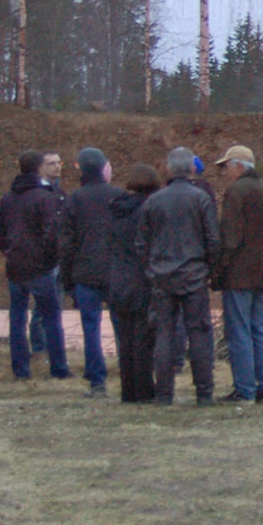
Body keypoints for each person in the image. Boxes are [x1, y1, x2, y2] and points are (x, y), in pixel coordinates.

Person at [141, 147, 220, 406]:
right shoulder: (200, 199)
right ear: (192, 169)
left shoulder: (154, 200)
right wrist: (211, 270)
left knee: (164, 334)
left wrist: (151, 269)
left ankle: (164, 393)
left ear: (168, 168)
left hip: (162, 277)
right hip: (195, 276)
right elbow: (212, 239)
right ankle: (204, 393)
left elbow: (142, 242)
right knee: (199, 333)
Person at [0, 149, 70, 381]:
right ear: (39, 169)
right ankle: (58, 369)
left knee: (17, 318)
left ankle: (20, 370)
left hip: (15, 266)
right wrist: (49, 259)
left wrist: (10, 251)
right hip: (40, 268)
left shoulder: (9, 197)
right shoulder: (45, 197)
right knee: (52, 318)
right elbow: (52, 233)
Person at [217, 144, 263, 404]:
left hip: (240, 274)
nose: (224, 173)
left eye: (226, 167)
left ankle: (244, 389)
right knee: (259, 328)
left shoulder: (236, 192)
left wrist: (221, 267)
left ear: (240, 166)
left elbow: (230, 236)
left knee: (239, 331)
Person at [57, 147, 119, 397]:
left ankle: (97, 382)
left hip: (84, 271)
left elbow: (66, 243)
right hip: (117, 271)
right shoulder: (119, 195)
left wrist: (67, 276)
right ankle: (131, 376)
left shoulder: (75, 198)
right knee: (122, 325)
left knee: (90, 327)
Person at [106, 165, 161, 404]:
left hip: (117, 279)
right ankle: (144, 391)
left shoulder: (116, 210)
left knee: (125, 339)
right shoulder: (148, 211)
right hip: (142, 279)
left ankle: (127, 391)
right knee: (143, 339)